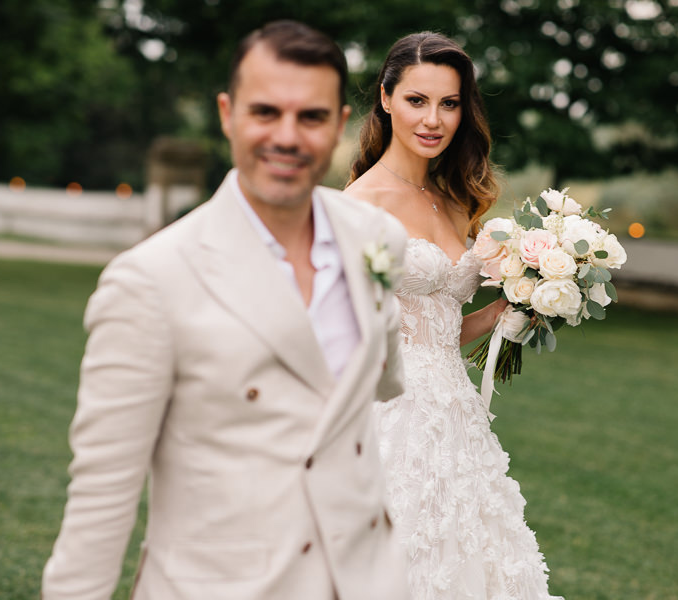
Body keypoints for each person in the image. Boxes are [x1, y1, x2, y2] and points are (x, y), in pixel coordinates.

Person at [42, 21, 410, 600]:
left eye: (311, 117)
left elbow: (383, 380)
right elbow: (103, 492)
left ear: (340, 123)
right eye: (265, 112)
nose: (287, 137)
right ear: (226, 113)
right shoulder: (150, 280)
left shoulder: (376, 238)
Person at [346, 32, 563, 599]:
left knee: (471, 560)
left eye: (449, 103)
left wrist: (511, 307)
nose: (433, 119)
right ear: (386, 99)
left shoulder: (458, 198)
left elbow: (437, 332)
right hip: (389, 415)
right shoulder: (359, 207)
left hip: (458, 418)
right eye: (417, 100)